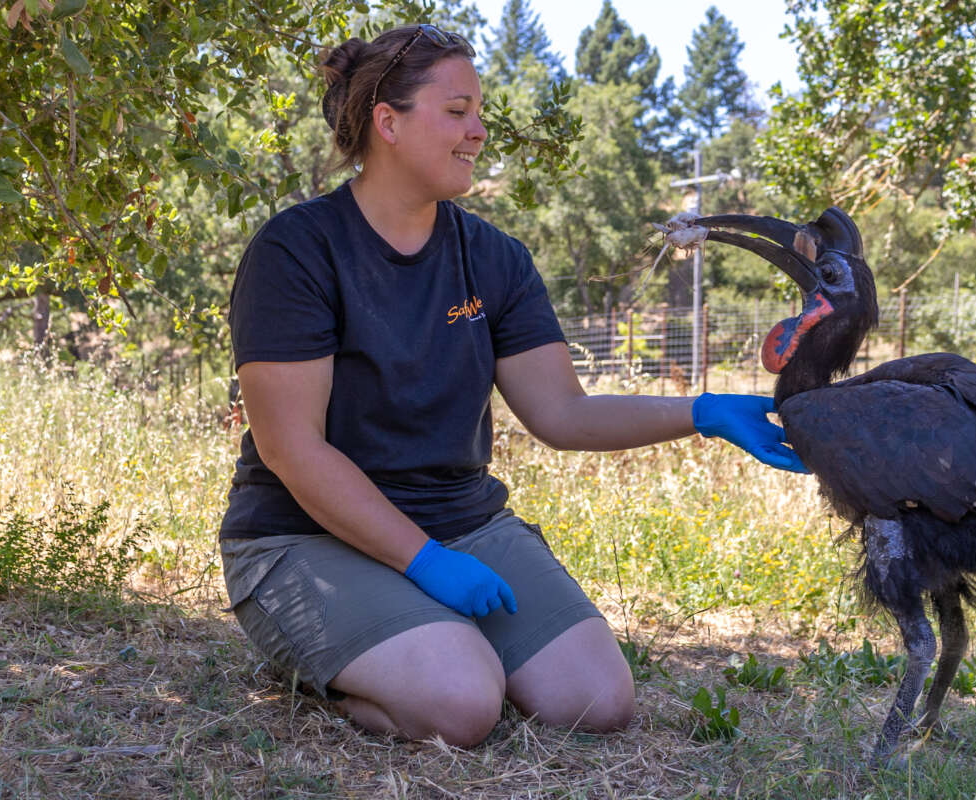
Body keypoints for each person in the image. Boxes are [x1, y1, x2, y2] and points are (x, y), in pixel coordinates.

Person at [219, 23, 806, 748]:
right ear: (388, 122)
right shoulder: (297, 251)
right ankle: (352, 660)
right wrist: (423, 563)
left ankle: (420, 634)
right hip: (303, 536)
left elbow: (561, 413)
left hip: (462, 522)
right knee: (463, 706)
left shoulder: (493, 258)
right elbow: (292, 450)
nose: (479, 130)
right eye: (458, 110)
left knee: (595, 700)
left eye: (480, 113)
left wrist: (703, 411)